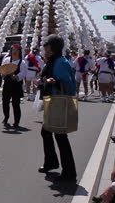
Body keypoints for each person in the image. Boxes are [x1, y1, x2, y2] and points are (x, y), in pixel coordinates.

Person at [38, 34, 77, 182]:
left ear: (53, 48)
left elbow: (66, 83)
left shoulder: (60, 62)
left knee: (60, 136)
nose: (45, 49)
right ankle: (52, 162)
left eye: (47, 46)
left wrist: (51, 81)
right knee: (47, 132)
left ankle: (69, 171)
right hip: (53, 101)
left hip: (59, 102)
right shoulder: (55, 61)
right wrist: (44, 82)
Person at [1, 44, 27, 128]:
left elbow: (23, 73)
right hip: (7, 84)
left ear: (19, 52)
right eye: (13, 50)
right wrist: (3, 74)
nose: (14, 52)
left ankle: (16, 121)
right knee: (5, 102)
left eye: (16, 50)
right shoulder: (6, 60)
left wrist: (16, 77)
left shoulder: (22, 63)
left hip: (16, 85)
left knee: (16, 104)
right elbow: (2, 69)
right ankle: (6, 117)